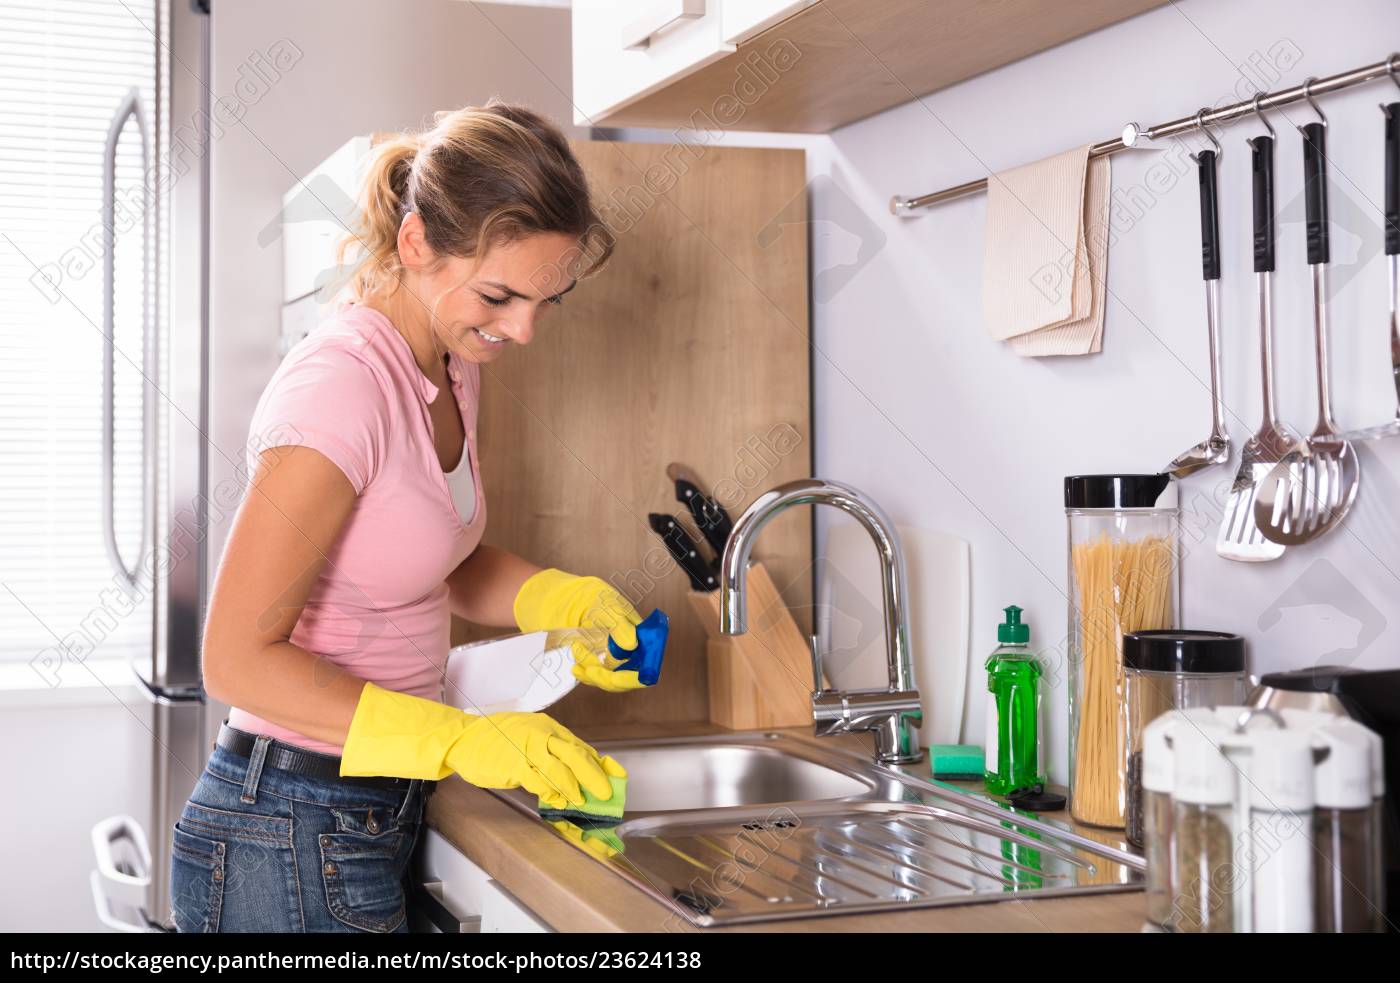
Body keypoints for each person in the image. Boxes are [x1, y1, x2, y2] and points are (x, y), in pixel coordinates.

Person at [170, 103, 647, 933]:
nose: (524, 329)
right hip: (284, 821)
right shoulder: (345, 387)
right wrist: (459, 739)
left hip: (356, 810)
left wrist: (561, 599)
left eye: (548, 301)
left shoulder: (452, 364)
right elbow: (236, 659)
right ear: (418, 242)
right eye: (501, 294)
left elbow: (427, 553)